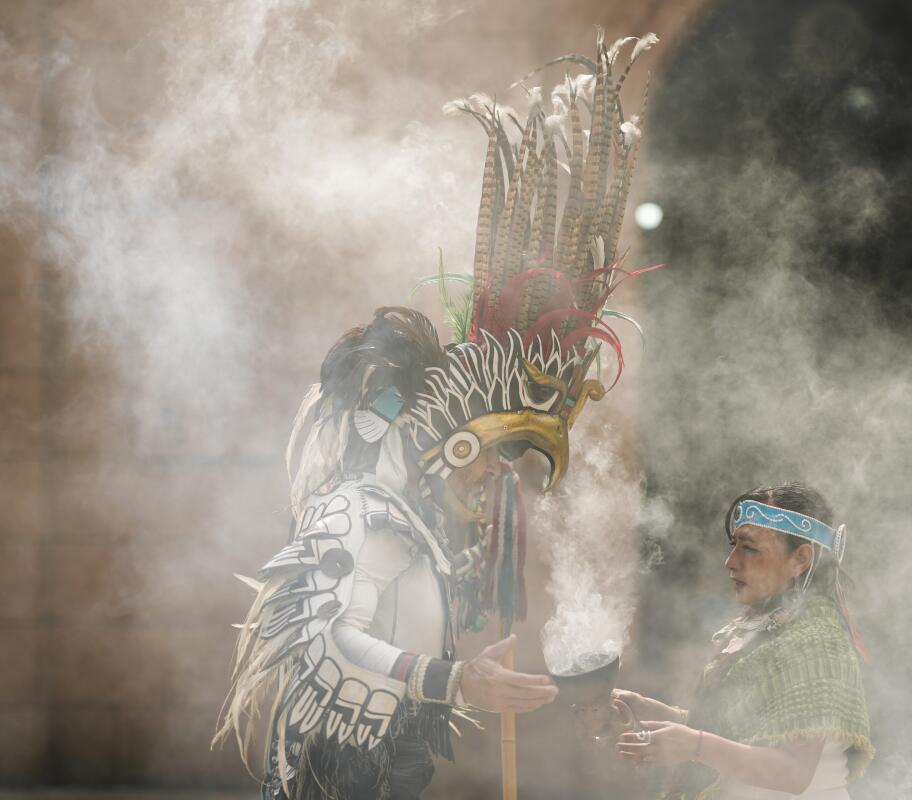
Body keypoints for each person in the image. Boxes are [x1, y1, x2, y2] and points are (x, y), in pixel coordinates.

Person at [213, 32, 658, 800]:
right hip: (332, 771)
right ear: (446, 442)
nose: (492, 478)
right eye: (486, 456)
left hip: (394, 764)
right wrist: (453, 681)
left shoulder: (424, 526)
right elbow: (330, 639)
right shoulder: (354, 511)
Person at [615, 483, 873, 799]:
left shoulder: (818, 639)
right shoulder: (766, 627)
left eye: (749, 547)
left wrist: (694, 744)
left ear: (800, 559)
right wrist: (651, 712)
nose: (731, 561)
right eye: (734, 545)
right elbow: (742, 732)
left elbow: (792, 771)